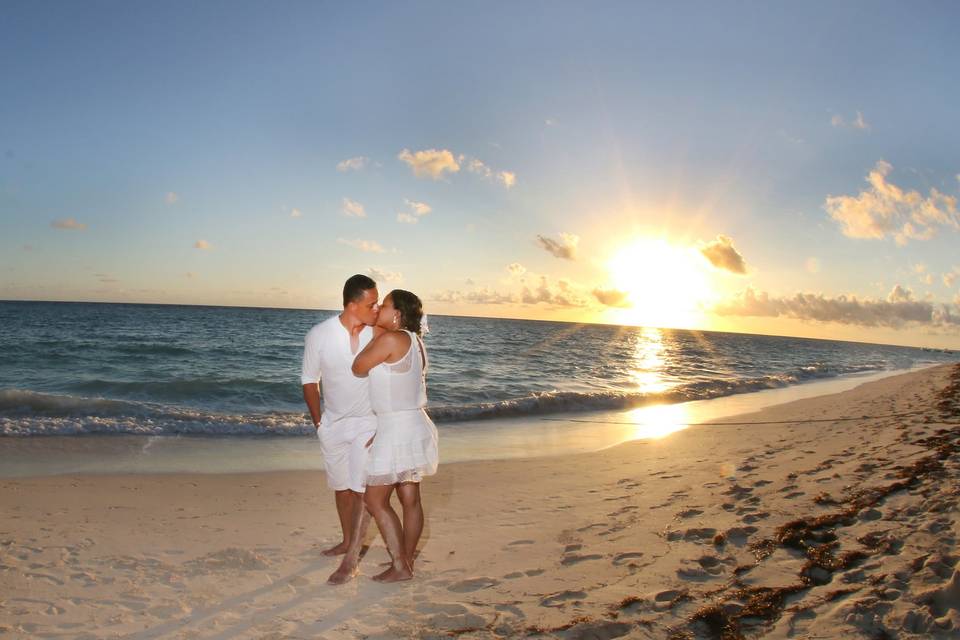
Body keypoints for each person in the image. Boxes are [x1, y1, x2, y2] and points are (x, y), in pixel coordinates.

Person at [351, 290, 438, 582]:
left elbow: (358, 366)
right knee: (410, 498)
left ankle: (400, 565)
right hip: (411, 424)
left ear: (397, 313)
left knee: (375, 500)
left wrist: (376, 329)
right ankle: (406, 561)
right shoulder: (417, 342)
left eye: (384, 306)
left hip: (398, 429)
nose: (378, 310)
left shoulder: (390, 339)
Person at [301, 274, 379, 585]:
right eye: (372, 303)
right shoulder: (319, 334)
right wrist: (319, 422)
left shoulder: (378, 333)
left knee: (360, 489)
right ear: (352, 304)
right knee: (342, 488)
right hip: (332, 424)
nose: (377, 308)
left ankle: (353, 556)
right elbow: (309, 380)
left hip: (367, 424)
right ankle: (348, 541)